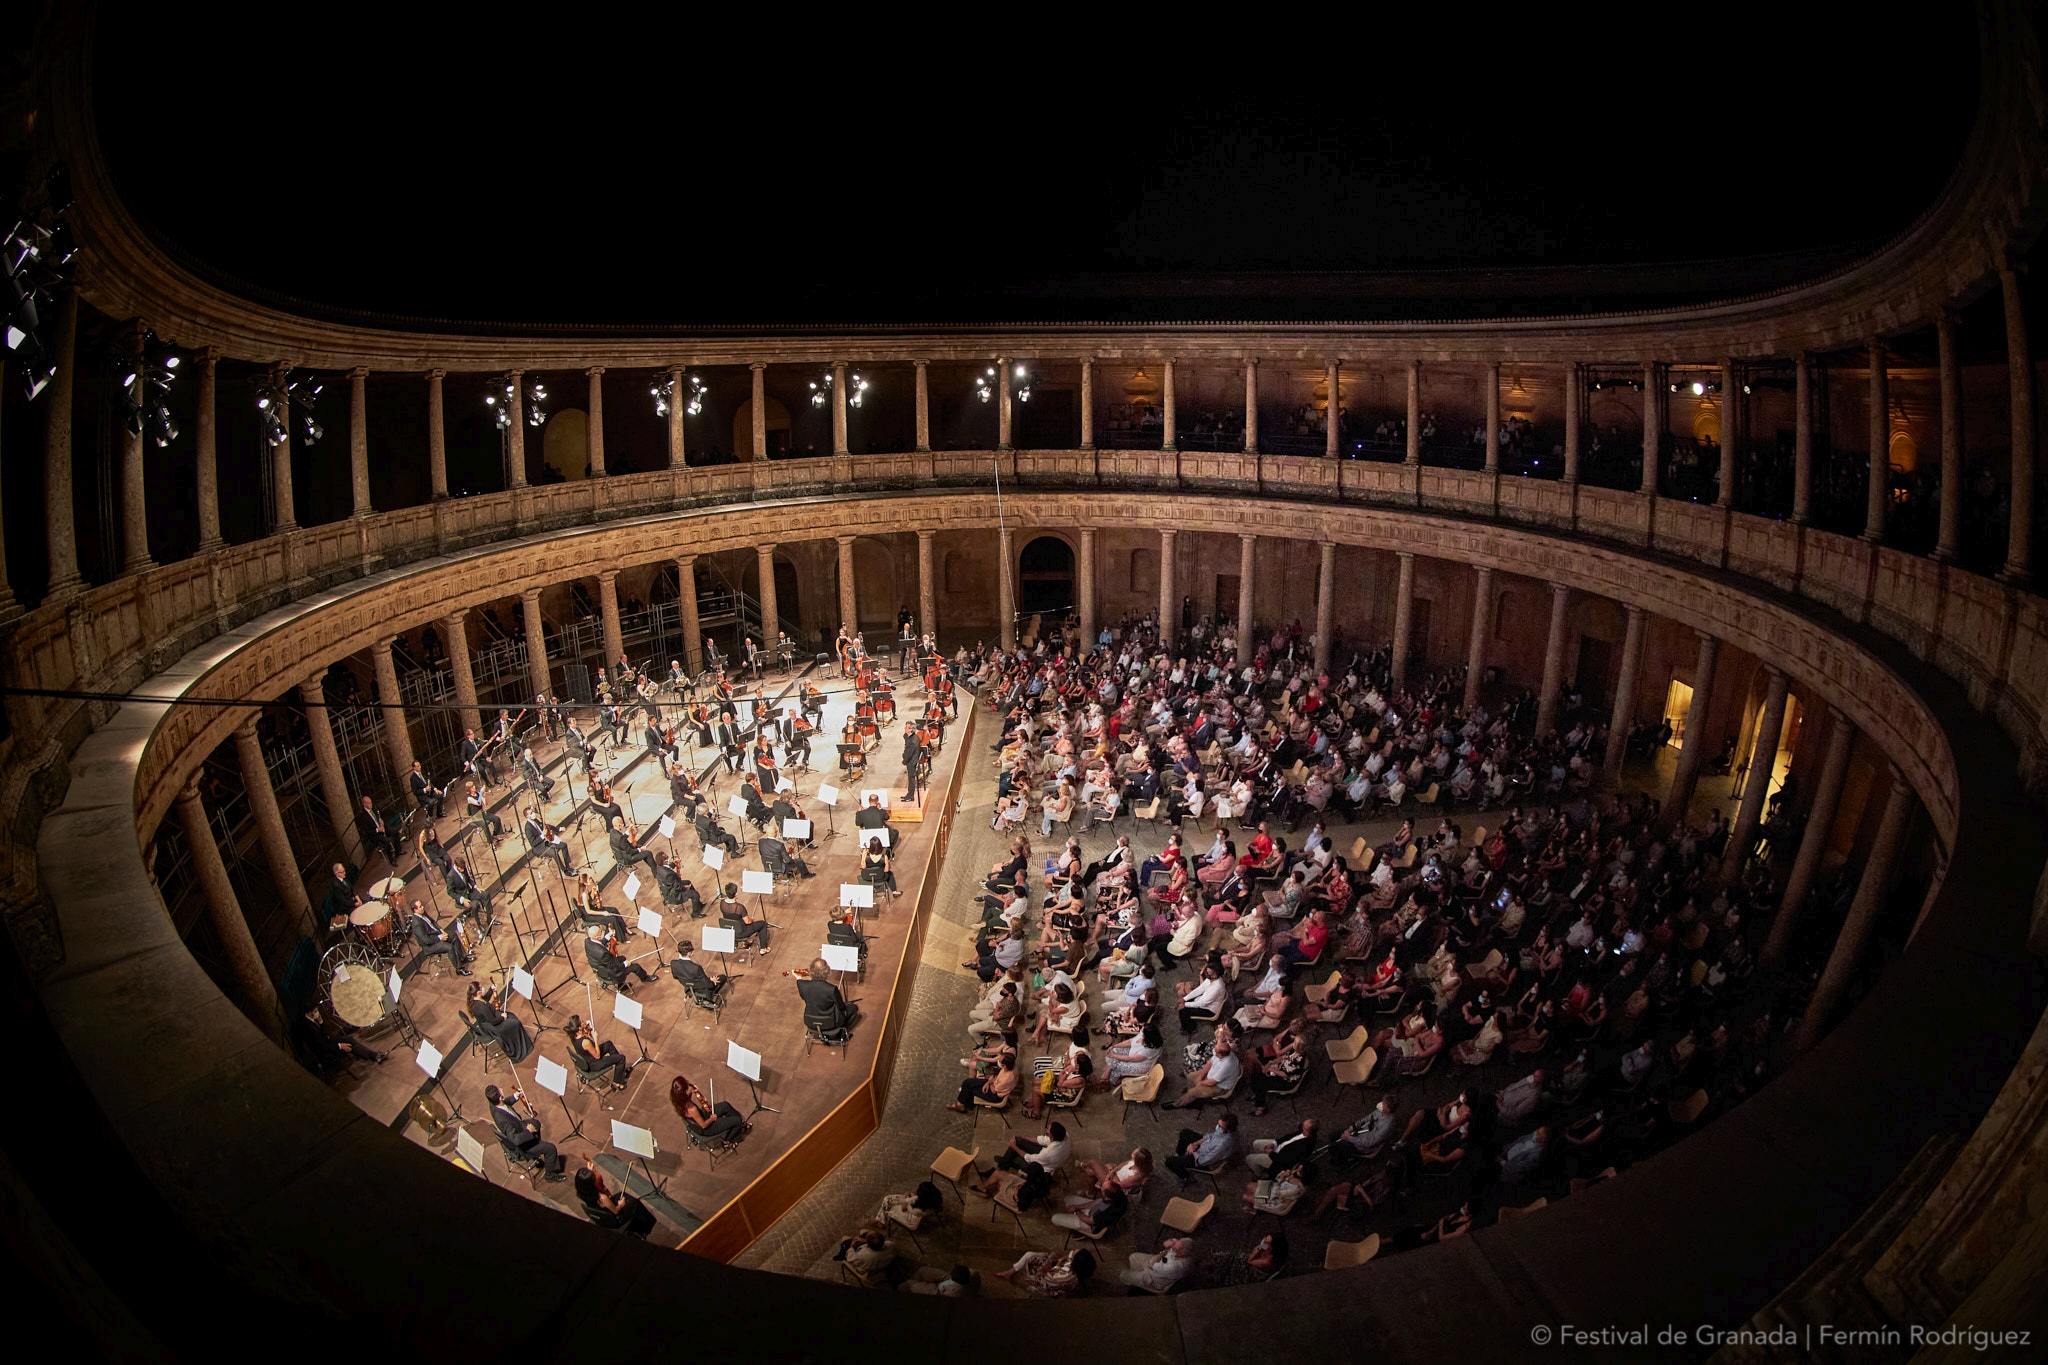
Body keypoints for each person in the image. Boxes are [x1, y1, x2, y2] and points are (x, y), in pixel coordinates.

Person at [487, 1084, 564, 1181]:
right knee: (551, 1148)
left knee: (536, 1123)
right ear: (500, 1097)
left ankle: (537, 1149)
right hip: (521, 1145)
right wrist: (528, 1131)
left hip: (518, 1126)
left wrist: (515, 1096)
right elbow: (516, 1140)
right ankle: (550, 1175)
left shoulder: (493, 1104)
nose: (502, 1089)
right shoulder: (503, 1121)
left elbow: (504, 1104)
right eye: (500, 1091)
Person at [574, 1158, 656, 1237]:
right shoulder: (602, 1198)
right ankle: (647, 1227)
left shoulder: (581, 1192)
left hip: (600, 1212)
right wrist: (621, 1205)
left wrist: (590, 1171)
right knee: (634, 1202)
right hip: (614, 1219)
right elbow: (616, 1211)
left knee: (620, 1195)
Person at [293, 1003, 386, 1070]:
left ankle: (372, 1055)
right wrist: (339, 1046)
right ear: (309, 1013)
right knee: (348, 1045)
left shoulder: (311, 1019)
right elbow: (322, 1045)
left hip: (328, 1042)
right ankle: (374, 1056)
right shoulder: (309, 1027)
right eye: (315, 1011)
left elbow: (322, 1034)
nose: (317, 1012)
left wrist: (321, 1022)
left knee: (349, 1039)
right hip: (325, 1051)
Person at [1164, 1037, 1243, 1109]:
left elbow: (1212, 1082)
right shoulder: (1222, 1053)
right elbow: (1210, 1063)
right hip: (1212, 1076)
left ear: (1222, 1055)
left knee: (1192, 1092)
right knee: (1191, 1076)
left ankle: (1177, 1104)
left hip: (1218, 1086)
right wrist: (1200, 1077)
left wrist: (1201, 1083)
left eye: (1216, 1052)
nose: (1214, 1052)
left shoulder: (1227, 1066)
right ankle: (1191, 1095)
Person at [467, 982, 533, 1063]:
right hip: (492, 1026)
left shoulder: (475, 1000)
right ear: (478, 992)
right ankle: (520, 1048)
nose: (482, 988)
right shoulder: (482, 1007)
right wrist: (502, 1017)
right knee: (515, 1023)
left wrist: (491, 990)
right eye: (481, 988)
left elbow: (485, 999)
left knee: (511, 1016)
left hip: (486, 1022)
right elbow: (494, 1021)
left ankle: (521, 1042)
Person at [670, 1075, 747, 1141]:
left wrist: (691, 1091)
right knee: (737, 1120)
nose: (688, 1082)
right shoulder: (692, 1109)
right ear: (684, 1092)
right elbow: (703, 1125)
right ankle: (730, 1140)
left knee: (725, 1105)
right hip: (708, 1128)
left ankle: (736, 1126)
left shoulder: (677, 1100)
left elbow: (687, 1098)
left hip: (702, 1116)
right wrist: (712, 1119)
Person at [996, 1248, 1096, 1298]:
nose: (1071, 1253)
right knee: (1033, 1255)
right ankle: (1010, 1272)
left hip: (1048, 1283)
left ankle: (1010, 1273)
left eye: (1073, 1255)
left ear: (1076, 1262)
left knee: (1029, 1256)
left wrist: (1051, 1263)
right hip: (1057, 1273)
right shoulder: (1083, 1266)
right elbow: (1067, 1258)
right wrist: (1058, 1260)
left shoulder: (1065, 1277)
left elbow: (1046, 1277)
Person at [1163, 1114, 1238, 1180]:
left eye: (1220, 1126)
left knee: (1169, 1162)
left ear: (1228, 1130)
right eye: (1218, 1124)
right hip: (1203, 1146)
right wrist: (1195, 1143)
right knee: (1185, 1132)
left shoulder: (1222, 1144)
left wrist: (1192, 1150)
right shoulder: (1224, 1131)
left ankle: (1185, 1176)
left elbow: (1203, 1161)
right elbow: (1210, 1136)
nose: (1217, 1127)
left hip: (1200, 1158)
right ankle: (1179, 1155)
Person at [566, 1015, 633, 1085]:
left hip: (587, 1057)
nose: (584, 1021)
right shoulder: (585, 1042)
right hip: (594, 1064)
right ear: (579, 1027)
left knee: (608, 1044)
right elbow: (597, 1056)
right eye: (582, 1021)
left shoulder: (573, 1036)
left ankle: (620, 1070)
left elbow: (588, 1046)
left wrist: (588, 1033)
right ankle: (617, 1082)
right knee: (621, 1058)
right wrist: (595, 1039)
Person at [585, 925, 655, 990]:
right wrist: (625, 964)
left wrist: (607, 937)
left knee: (622, 958)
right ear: (597, 937)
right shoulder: (603, 953)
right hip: (612, 974)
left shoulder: (588, 941)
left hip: (600, 970)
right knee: (636, 967)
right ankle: (644, 978)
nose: (602, 933)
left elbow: (599, 945)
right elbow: (614, 967)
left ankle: (621, 985)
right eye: (601, 933)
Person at [798, 958, 858, 1034]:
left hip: (810, 1022)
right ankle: (840, 1032)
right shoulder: (832, 989)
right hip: (830, 1023)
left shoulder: (802, 985)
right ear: (827, 972)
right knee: (853, 1008)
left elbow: (799, 980)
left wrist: (798, 976)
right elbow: (841, 1007)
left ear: (811, 971)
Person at [409, 904, 472, 976]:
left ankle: (462, 958)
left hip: (436, 934)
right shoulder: (417, 924)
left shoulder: (422, 913)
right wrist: (439, 938)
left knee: (453, 935)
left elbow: (433, 922)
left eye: (421, 905)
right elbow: (426, 941)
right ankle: (459, 969)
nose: (423, 907)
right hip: (430, 945)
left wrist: (441, 930)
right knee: (449, 947)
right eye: (420, 906)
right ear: (415, 910)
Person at [948, 1053, 1019, 1111]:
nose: (998, 1062)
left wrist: (988, 1083)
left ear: (1005, 1066)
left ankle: (960, 1105)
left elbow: (994, 1090)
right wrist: (989, 1082)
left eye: (1000, 1062)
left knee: (971, 1088)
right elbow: (997, 1078)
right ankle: (963, 1103)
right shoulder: (1006, 1069)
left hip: (994, 1095)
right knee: (968, 1082)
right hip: (992, 1084)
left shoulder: (1008, 1078)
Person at [1120, 1238, 1193, 1292]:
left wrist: (1164, 1252)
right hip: (1159, 1264)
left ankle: (1135, 1282)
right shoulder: (1185, 1254)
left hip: (1153, 1278)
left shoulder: (1173, 1266)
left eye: (1174, 1248)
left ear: (1181, 1254)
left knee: (1123, 1275)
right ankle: (1136, 1280)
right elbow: (1167, 1245)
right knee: (1133, 1256)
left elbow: (1152, 1265)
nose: (1172, 1248)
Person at [718, 883, 771, 954]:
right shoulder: (739, 907)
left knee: (739, 923)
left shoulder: (722, 903)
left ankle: (746, 942)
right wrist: (752, 919)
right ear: (736, 894)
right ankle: (763, 948)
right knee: (763, 924)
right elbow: (748, 922)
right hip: (741, 932)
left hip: (730, 930)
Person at [355, 795, 398, 865]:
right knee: (386, 841)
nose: (371, 804)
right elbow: (367, 831)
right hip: (374, 834)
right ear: (364, 804)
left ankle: (398, 851)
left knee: (395, 831)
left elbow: (378, 817)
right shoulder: (362, 816)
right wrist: (378, 829)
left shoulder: (373, 809)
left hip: (381, 827)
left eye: (371, 802)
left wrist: (381, 821)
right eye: (369, 803)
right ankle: (392, 860)